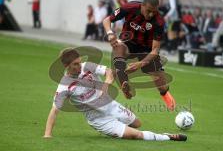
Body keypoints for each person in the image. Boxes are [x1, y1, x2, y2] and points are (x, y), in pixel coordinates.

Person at [43, 48, 187, 142]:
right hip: (98, 118)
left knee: (137, 123)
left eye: (79, 62)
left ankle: (118, 129)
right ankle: (167, 137)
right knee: (135, 135)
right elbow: (54, 110)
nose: (79, 66)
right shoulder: (64, 86)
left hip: (110, 105)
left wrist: (105, 86)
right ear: (66, 66)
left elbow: (109, 72)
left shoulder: (86, 66)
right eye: (75, 64)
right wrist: (47, 134)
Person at [103, 0, 176, 110]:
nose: (151, 14)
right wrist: (110, 33)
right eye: (148, 11)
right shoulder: (129, 7)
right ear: (142, 6)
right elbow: (107, 20)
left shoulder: (159, 21)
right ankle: (125, 85)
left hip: (146, 50)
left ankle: (167, 97)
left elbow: (155, 49)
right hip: (128, 43)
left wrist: (140, 64)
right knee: (118, 47)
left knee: (161, 85)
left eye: (154, 12)